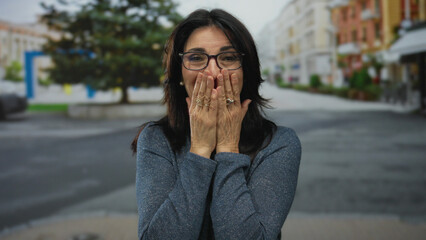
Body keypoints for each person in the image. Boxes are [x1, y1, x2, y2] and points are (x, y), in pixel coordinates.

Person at [131, 8, 301, 240]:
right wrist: (200, 150)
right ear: (179, 73)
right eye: (196, 58)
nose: (212, 71)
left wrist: (228, 147)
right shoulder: (156, 139)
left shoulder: (278, 144)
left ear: (246, 70)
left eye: (229, 58)